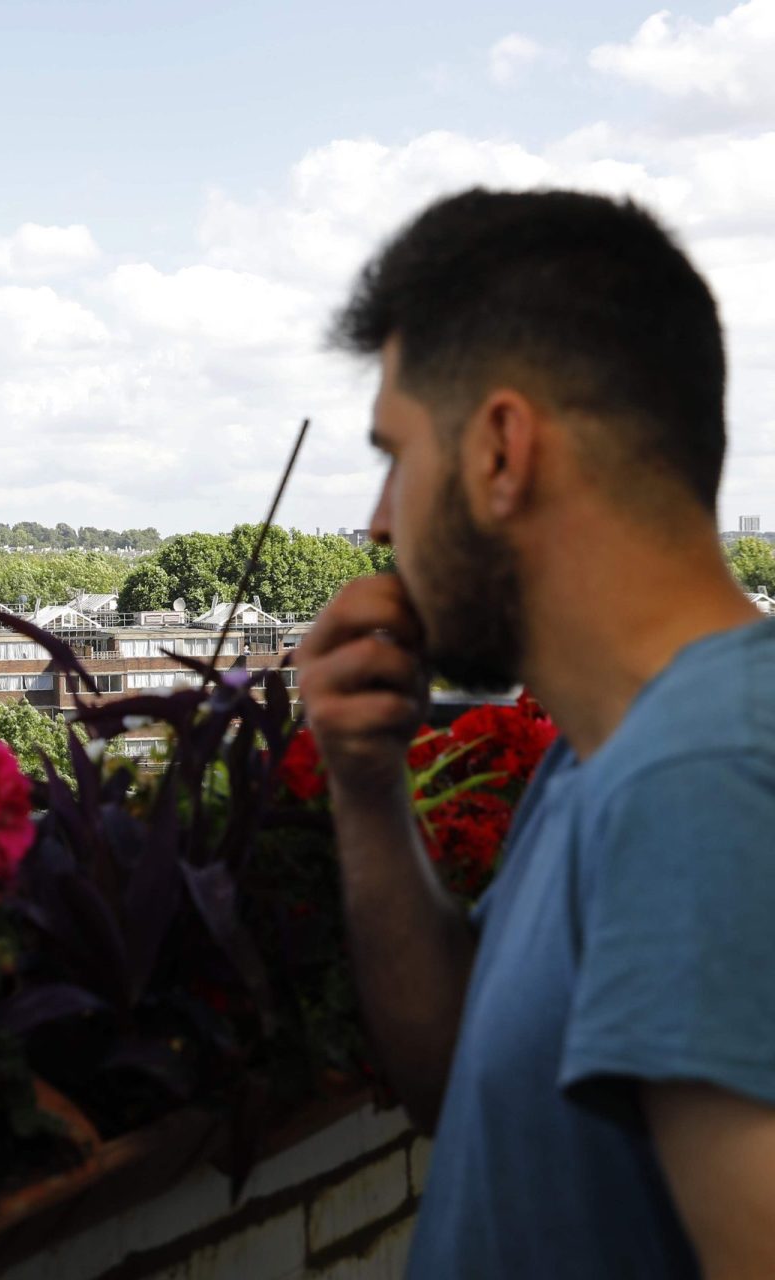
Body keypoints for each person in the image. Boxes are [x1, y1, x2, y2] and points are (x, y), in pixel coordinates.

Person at [297, 188, 775, 1278]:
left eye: (397, 453)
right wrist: (366, 788)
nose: (378, 520)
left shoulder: (703, 782)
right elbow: (467, 1078)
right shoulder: (609, 752)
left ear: (503, 450)